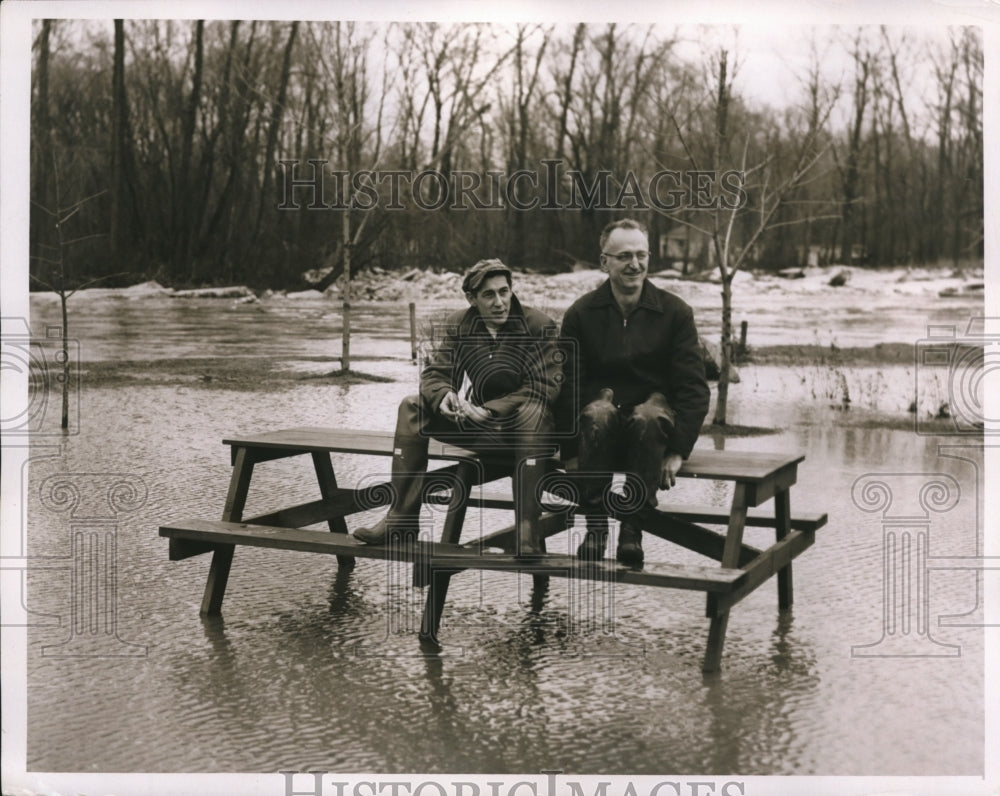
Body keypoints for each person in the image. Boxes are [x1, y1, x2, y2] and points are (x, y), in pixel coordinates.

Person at [353, 259, 562, 559]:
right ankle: (400, 519)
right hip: (483, 430)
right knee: (412, 406)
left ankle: (528, 530)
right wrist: (444, 396)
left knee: (533, 413)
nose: (500, 302)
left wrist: (490, 410)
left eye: (504, 291)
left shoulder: (539, 326)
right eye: (489, 295)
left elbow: (544, 387)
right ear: (471, 299)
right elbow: (435, 374)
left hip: (529, 435)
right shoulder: (460, 324)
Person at [559, 219, 710, 567]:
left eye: (642, 255)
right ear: (604, 262)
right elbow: (567, 386)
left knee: (648, 416)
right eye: (624, 255)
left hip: (651, 426)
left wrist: (678, 450)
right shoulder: (581, 314)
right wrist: (570, 451)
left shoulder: (675, 312)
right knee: (597, 413)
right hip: (601, 425)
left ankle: (632, 529)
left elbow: (693, 388)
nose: (635, 264)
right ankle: (595, 527)